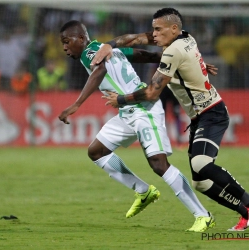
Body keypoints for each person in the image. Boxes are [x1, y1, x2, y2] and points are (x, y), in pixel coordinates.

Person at [91, 8, 249, 231]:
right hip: (198, 118)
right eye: (153, 29)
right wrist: (108, 45)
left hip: (212, 113)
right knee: (200, 183)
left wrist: (121, 98)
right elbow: (135, 38)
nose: (153, 34)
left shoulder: (173, 52)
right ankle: (245, 213)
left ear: (173, 28)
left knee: (201, 164)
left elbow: (151, 93)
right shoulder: (184, 37)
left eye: (158, 29)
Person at [59, 20, 215, 232]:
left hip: (143, 108)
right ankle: (143, 191)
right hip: (127, 112)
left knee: (159, 165)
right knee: (96, 151)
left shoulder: (90, 53)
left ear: (81, 38)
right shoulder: (108, 48)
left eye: (67, 42)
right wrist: (184, 63)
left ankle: (203, 215)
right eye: (63, 44)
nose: (65, 47)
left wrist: (76, 104)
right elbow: (143, 55)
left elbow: (100, 69)